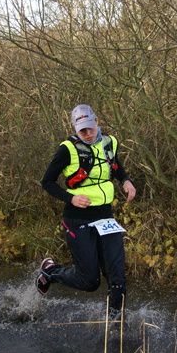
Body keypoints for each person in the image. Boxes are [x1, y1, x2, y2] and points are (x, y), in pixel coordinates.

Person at [37, 104, 136, 320]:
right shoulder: (67, 149)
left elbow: (115, 165)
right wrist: (71, 197)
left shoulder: (110, 142)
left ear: (97, 121)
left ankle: (115, 328)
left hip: (105, 217)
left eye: (91, 128)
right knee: (89, 282)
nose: (88, 134)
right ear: (75, 128)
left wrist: (126, 181)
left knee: (117, 279)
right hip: (77, 218)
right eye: (83, 130)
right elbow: (47, 182)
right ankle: (50, 272)